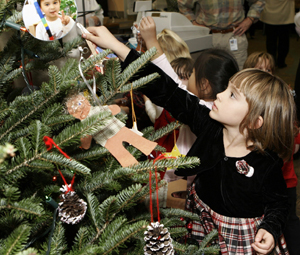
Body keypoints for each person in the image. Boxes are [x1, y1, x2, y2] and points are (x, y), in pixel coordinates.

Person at [82, 25, 295, 254]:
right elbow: (165, 89)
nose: (221, 94)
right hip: (200, 227)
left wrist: (270, 228)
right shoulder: (209, 126)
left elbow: (279, 202)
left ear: (254, 122)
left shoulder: (266, 163)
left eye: (232, 95)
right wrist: (116, 46)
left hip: (241, 241)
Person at [243, 50, 300, 255]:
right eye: (259, 69)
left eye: (269, 69)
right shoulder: (244, 107)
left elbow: (292, 148)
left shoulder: (279, 104)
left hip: (286, 181)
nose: (265, 73)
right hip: (257, 184)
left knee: (289, 222)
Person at [177, 0, 265, 70]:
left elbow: (259, 1)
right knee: (205, 74)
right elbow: (183, 4)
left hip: (235, 35)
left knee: (238, 74)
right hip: (208, 36)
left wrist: (250, 19)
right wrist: (193, 22)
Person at [259, 0, 295, 68]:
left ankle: (272, 62)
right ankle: (281, 62)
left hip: (269, 15)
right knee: (284, 41)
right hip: (285, 15)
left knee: (270, 41)